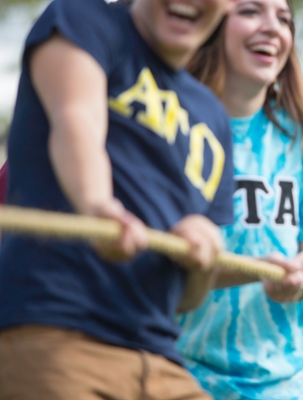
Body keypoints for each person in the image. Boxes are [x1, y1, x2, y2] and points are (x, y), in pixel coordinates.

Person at [0, 0, 234, 398]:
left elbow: (187, 299)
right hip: (56, 334)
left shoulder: (212, 115)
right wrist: (97, 205)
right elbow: (78, 120)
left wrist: (200, 257)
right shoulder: (81, 20)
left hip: (160, 360)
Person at [175, 0, 303, 398]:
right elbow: (160, 265)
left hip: (281, 382)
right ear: (212, 22)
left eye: (284, 19)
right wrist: (257, 269)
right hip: (181, 372)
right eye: (251, 11)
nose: (273, 28)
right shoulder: (175, 124)